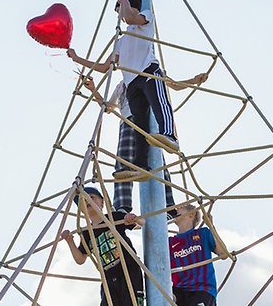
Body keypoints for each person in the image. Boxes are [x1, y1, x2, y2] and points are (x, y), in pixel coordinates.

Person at [67, 0, 180, 181]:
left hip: (147, 71)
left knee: (160, 102)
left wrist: (123, 1)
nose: (119, 15)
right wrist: (77, 58)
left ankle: (170, 135)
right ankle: (140, 165)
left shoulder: (145, 18)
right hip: (131, 82)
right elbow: (104, 68)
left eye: (119, 9)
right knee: (139, 124)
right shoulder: (121, 41)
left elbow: (129, 18)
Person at [80, 73, 208, 217]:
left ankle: (168, 206)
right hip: (127, 122)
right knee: (123, 163)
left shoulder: (149, 74)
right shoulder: (121, 85)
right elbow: (108, 107)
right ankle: (122, 206)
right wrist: (93, 89)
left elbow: (174, 85)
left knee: (157, 163)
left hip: (148, 122)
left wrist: (194, 81)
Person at [61, 186, 145, 306]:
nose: (88, 202)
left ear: (102, 202)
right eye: (83, 202)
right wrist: (70, 242)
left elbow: (140, 223)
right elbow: (80, 259)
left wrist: (132, 219)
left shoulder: (113, 218)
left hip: (128, 271)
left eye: (91, 197)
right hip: (108, 278)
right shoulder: (86, 232)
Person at [168, 203, 229, 306]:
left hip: (203, 286)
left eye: (179, 208)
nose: (175, 210)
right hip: (181, 287)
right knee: (164, 303)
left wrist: (211, 227)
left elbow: (224, 254)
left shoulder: (202, 234)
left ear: (191, 214)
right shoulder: (170, 242)